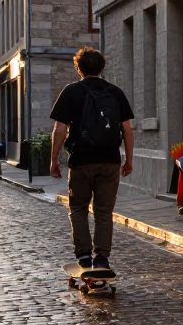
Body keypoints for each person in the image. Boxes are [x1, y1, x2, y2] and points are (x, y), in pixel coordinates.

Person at [50, 47, 134, 272]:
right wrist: (129, 161)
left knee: (78, 208)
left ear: (79, 69)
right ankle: (102, 258)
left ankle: (85, 257)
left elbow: (59, 129)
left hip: (81, 160)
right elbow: (127, 131)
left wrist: (54, 160)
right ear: (101, 67)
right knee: (104, 211)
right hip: (110, 160)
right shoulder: (115, 93)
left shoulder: (71, 92)